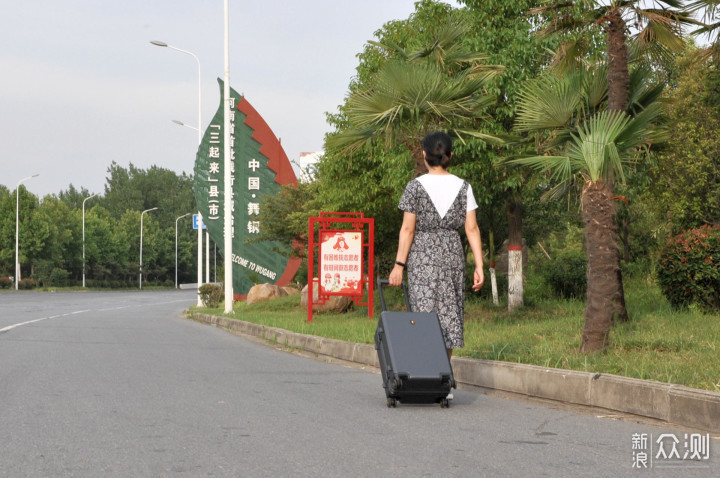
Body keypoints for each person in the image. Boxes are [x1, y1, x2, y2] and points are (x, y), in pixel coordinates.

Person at [388, 131, 484, 363]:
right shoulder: (464, 187)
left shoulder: (414, 187)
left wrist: (399, 265)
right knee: (449, 313)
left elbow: (408, 229)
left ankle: (426, 372)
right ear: (450, 155)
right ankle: (444, 374)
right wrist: (478, 265)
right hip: (452, 253)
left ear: (424, 155)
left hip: (423, 255)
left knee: (424, 312)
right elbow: (471, 228)